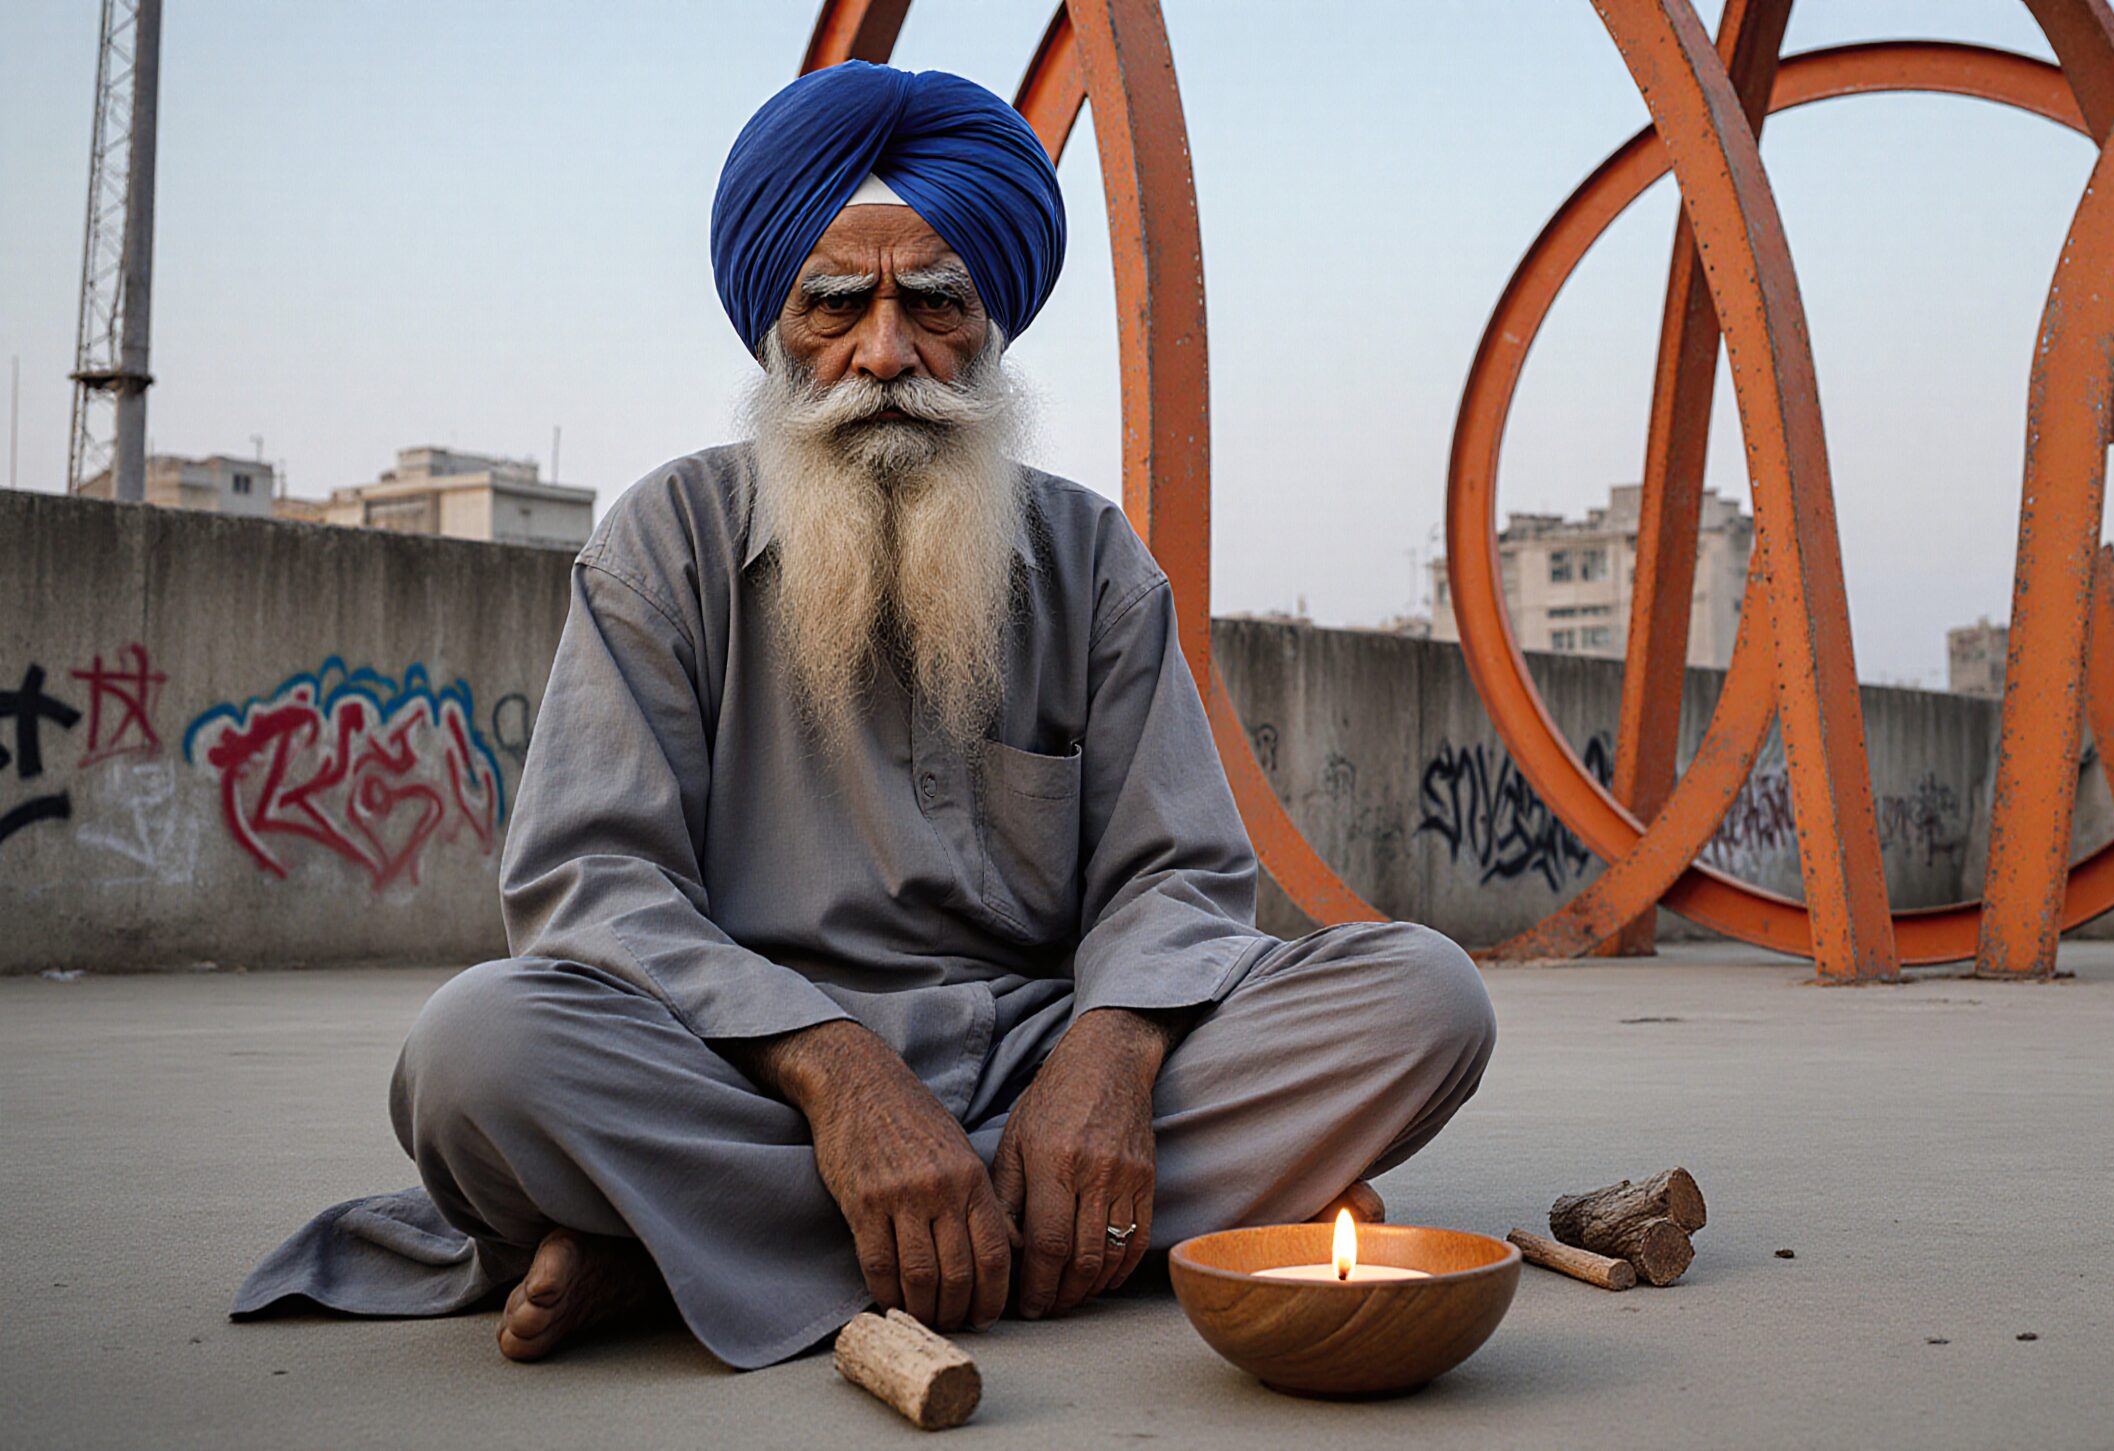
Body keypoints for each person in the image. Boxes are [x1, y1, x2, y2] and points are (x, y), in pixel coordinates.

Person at [231, 58, 1495, 1371]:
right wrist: (836, 1072)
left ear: (992, 324)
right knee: (476, 1053)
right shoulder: (667, 543)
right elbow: (593, 885)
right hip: (747, 1069)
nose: (884, 353)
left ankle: (681, 1254)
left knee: (1422, 1001)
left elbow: (1177, 876)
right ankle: (1050, 1228)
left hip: (1036, 1059)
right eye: (836, 306)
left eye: (934, 304)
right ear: (778, 329)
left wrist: (1109, 1062)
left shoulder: (1092, 557)